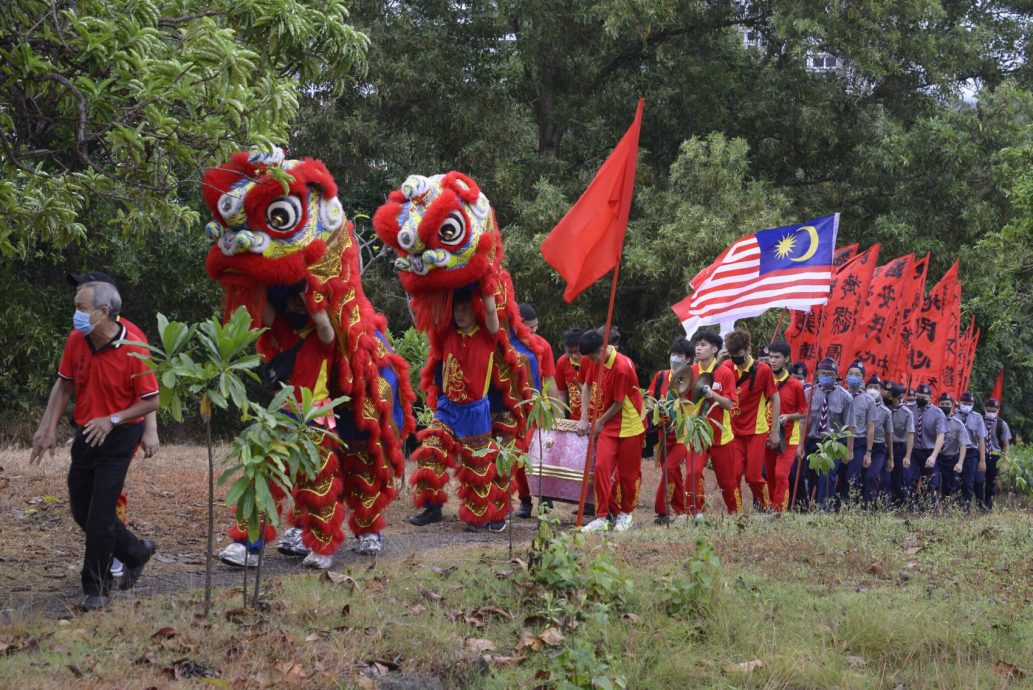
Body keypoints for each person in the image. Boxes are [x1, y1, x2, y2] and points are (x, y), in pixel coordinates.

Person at [30, 279, 160, 611]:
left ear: (103, 313)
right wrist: (47, 428)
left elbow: (150, 400)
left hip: (119, 432)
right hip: (88, 429)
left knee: (102, 511)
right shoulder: (78, 338)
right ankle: (135, 552)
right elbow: (64, 386)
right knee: (81, 507)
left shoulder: (135, 345)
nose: (75, 314)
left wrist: (115, 420)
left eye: (80, 308)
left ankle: (97, 588)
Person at [408, 289, 507, 532]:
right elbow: (422, 312)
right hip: (447, 408)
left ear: (475, 310)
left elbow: (492, 311)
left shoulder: (488, 335)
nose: (460, 314)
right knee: (431, 452)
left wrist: (486, 286)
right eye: (457, 309)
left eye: (465, 309)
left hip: (475, 412)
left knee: (477, 466)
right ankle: (432, 508)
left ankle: (477, 516)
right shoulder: (446, 332)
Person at [576, 329, 645, 533]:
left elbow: (619, 402)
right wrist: (584, 417)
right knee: (601, 468)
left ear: (603, 348)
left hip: (629, 423)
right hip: (608, 423)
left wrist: (599, 423)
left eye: (593, 356)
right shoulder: (592, 359)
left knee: (627, 474)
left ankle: (626, 514)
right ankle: (602, 516)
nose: (591, 361)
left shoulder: (622, 366)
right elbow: (586, 386)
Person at [722, 329, 780, 512]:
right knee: (733, 476)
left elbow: (775, 398)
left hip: (757, 431)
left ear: (747, 349)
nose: (736, 359)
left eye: (739, 354)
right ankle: (736, 512)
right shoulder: (726, 367)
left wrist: (775, 431)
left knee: (753, 477)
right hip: (733, 432)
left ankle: (765, 507)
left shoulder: (762, 370)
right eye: (732, 355)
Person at [513, 303, 559, 518]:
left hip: (537, 410)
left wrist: (557, 416)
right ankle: (524, 500)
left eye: (535, 328)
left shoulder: (543, 346)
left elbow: (549, 380)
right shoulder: (506, 345)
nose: (533, 333)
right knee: (517, 455)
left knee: (539, 453)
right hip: (512, 409)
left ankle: (545, 496)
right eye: (528, 329)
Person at [647, 337, 693, 524]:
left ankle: (663, 509)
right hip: (663, 432)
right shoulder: (661, 376)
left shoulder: (693, 377)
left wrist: (680, 420)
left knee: (670, 467)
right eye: (673, 354)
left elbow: (695, 405)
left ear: (687, 359)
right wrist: (655, 408)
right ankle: (681, 509)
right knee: (672, 472)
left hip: (683, 433)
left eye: (679, 355)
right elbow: (650, 399)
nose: (675, 358)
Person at [800, 358, 852, 510]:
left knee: (827, 475)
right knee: (811, 476)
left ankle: (824, 509)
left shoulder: (845, 397)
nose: (826, 376)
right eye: (823, 373)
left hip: (833, 443)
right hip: (812, 441)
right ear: (817, 373)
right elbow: (803, 422)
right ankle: (810, 505)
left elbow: (850, 426)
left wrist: (849, 450)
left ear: (836, 375)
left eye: (830, 374)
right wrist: (800, 445)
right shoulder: (808, 393)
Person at [764, 342, 806, 512]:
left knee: (781, 474)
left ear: (786, 359)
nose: (772, 361)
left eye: (777, 357)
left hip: (788, 438)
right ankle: (771, 506)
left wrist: (788, 417)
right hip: (766, 436)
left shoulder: (795, 385)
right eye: (771, 357)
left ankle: (780, 510)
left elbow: (804, 412)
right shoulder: (763, 379)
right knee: (769, 475)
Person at [840, 362, 875, 506]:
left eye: (857, 374)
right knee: (839, 475)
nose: (853, 377)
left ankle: (852, 506)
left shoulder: (869, 400)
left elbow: (871, 426)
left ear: (863, 379)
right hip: (839, 441)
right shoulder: (840, 395)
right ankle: (837, 505)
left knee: (852, 476)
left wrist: (869, 452)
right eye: (850, 373)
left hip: (859, 443)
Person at [911, 383, 948, 507]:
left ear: (930, 398)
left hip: (930, 451)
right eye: (918, 396)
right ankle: (912, 507)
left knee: (931, 483)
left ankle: (929, 510)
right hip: (914, 451)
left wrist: (933, 456)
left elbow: (941, 436)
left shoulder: (938, 413)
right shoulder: (911, 410)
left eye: (924, 397)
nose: (920, 399)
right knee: (910, 479)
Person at [862, 376, 893, 509]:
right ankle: (856, 504)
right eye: (870, 387)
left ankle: (870, 507)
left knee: (872, 476)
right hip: (861, 445)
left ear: (881, 391)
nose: (872, 390)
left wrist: (891, 457)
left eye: (876, 388)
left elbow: (888, 435)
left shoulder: (886, 411)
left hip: (878, 448)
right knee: (858, 477)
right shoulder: (859, 403)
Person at [953, 391, 987, 510]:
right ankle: (954, 507)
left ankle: (966, 507)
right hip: (955, 452)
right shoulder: (953, 416)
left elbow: (981, 440)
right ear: (959, 402)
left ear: (972, 404)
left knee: (968, 482)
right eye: (964, 403)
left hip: (970, 453)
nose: (966, 405)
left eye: (969, 403)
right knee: (955, 480)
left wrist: (982, 460)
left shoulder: (977, 417)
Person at [976, 398, 1011, 511]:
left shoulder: (1002, 424)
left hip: (994, 455)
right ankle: (979, 505)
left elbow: (1006, 444)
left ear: (998, 410)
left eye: (993, 411)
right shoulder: (978, 420)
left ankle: (988, 508)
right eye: (988, 410)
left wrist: (1005, 460)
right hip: (979, 454)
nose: (991, 413)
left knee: (991, 483)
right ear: (984, 409)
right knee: (978, 481)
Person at [936, 394, 970, 505]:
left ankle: (948, 509)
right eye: (942, 404)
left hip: (951, 459)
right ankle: (932, 508)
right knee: (933, 483)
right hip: (936, 458)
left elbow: (963, 445)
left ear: (952, 406)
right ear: (937, 405)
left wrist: (960, 463)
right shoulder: (934, 421)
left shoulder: (958, 424)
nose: (944, 406)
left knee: (949, 487)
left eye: (947, 404)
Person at [885, 383, 915, 508]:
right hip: (883, 448)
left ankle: (901, 506)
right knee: (884, 479)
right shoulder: (883, 409)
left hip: (898, 449)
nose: (886, 397)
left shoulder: (907, 413)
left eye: (889, 395)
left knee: (898, 480)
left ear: (896, 397)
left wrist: (907, 456)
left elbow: (910, 435)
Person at [554, 327, 587, 420]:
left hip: (596, 420)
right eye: (570, 352)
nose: (574, 356)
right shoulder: (562, 362)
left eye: (577, 351)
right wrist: (559, 420)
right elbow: (561, 393)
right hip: (575, 419)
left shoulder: (594, 361)